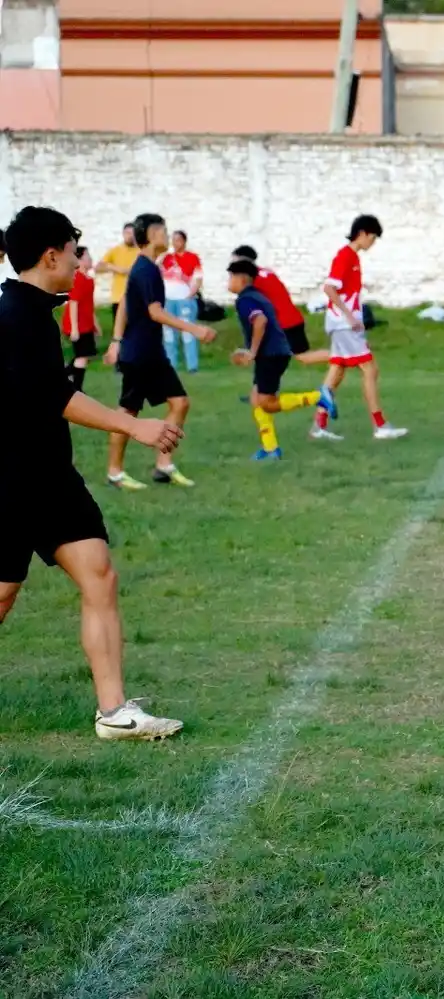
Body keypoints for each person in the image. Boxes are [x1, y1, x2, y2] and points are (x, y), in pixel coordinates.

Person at [0, 206, 186, 740]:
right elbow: (53, 397)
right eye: (75, 250)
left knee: (99, 573)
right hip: (11, 480)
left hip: (50, 476)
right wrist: (136, 427)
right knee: (3, 593)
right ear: (50, 254)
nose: (83, 262)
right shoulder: (15, 315)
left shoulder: (37, 311)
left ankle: (114, 713)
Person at [103, 213, 216, 491]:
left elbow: (127, 306)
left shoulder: (144, 267)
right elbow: (155, 312)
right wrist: (194, 329)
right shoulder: (146, 269)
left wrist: (116, 340)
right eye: (162, 231)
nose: (167, 235)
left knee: (179, 403)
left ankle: (163, 466)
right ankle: (114, 472)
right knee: (127, 412)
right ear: (150, 235)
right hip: (140, 354)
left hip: (151, 353)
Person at [227, 259, 334, 460]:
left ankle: (318, 397)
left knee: (267, 403)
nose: (228, 282)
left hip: (271, 355)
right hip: (274, 352)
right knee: (256, 399)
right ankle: (270, 449)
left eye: (230, 277)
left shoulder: (245, 300)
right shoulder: (258, 296)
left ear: (241, 279)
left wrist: (252, 351)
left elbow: (260, 321)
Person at [315, 214, 407, 441]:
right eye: (373, 237)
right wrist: (350, 317)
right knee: (370, 369)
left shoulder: (352, 257)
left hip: (342, 323)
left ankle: (319, 425)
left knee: (336, 371)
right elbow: (329, 288)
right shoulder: (345, 256)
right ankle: (380, 425)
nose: (372, 243)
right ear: (363, 233)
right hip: (344, 324)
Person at [229, 245, 330, 367]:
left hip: (285, 322)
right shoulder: (265, 272)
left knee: (301, 357)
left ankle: (342, 357)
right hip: (292, 318)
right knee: (299, 356)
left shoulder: (254, 280)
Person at [159, 230, 204, 373]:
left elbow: (198, 277)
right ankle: (170, 363)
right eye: (173, 240)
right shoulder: (167, 258)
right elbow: (158, 271)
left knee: (188, 331)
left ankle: (192, 365)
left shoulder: (192, 258)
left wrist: (191, 294)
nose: (175, 243)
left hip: (184, 299)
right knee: (168, 332)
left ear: (184, 241)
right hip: (168, 300)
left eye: (178, 240)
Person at [62, 245, 98, 393]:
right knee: (82, 356)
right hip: (77, 324)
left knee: (85, 355)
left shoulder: (89, 280)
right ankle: (77, 388)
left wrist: (95, 324)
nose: (91, 260)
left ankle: (64, 377)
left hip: (86, 324)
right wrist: (75, 329)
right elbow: (73, 304)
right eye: (88, 257)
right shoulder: (77, 279)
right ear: (80, 260)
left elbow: (88, 305)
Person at [94, 222, 139, 326]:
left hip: (136, 298)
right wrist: (114, 268)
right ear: (123, 234)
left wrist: (128, 271)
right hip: (118, 297)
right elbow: (98, 268)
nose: (130, 236)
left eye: (132, 233)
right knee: (119, 329)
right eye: (127, 233)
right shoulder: (115, 250)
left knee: (136, 329)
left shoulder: (140, 251)